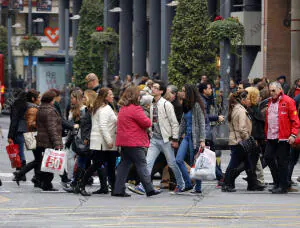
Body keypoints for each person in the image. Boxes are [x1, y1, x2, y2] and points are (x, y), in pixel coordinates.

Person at [134, 80, 185, 194]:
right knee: (148, 162)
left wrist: (175, 139)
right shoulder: (152, 103)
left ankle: (181, 184)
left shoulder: (166, 104)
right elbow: (142, 97)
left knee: (172, 163)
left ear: (161, 91)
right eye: (153, 87)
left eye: (156, 88)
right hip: (155, 139)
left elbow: (174, 123)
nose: (153, 89)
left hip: (166, 139)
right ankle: (143, 185)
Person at [113, 87, 160, 197]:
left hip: (124, 142)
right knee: (141, 164)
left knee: (124, 165)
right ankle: (149, 189)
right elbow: (147, 123)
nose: (140, 97)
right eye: (138, 95)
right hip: (135, 142)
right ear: (134, 96)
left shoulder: (123, 108)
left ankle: (118, 189)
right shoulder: (136, 109)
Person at [79, 88, 119, 196]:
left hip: (102, 142)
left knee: (108, 165)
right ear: (105, 96)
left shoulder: (101, 108)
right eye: (110, 94)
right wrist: (109, 141)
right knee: (98, 164)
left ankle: (115, 189)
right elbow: (103, 126)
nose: (112, 96)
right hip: (103, 143)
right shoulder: (105, 109)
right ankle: (81, 185)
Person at [265, 81, 299, 194]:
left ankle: (283, 186)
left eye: (273, 90)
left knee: (282, 162)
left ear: (280, 90)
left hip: (283, 138)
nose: (271, 93)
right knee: (268, 157)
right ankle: (278, 182)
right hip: (271, 136)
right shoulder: (269, 102)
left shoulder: (288, 101)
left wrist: (293, 135)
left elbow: (295, 121)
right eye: (270, 91)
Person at [222, 90, 259, 192]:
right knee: (234, 163)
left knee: (248, 162)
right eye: (247, 98)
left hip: (235, 140)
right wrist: (247, 139)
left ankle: (252, 184)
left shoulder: (234, 108)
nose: (248, 100)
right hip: (240, 141)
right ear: (242, 100)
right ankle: (227, 184)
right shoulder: (241, 111)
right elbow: (242, 128)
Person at [176, 84, 206, 193]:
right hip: (187, 137)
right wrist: (176, 137)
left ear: (189, 93)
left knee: (196, 163)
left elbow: (202, 123)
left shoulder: (197, 105)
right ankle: (188, 183)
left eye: (183, 91)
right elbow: (183, 123)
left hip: (195, 138)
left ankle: (198, 188)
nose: (181, 92)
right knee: (178, 159)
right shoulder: (186, 104)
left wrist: (202, 140)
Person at [36, 90, 63, 191]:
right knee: (50, 163)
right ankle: (47, 184)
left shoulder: (41, 108)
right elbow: (52, 128)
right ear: (51, 100)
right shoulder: (50, 111)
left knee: (45, 161)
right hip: (49, 141)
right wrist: (57, 143)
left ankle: (44, 182)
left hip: (42, 139)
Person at [13, 89, 41, 186]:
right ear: (33, 99)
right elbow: (32, 123)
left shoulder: (26, 106)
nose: (39, 100)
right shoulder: (32, 107)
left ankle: (36, 178)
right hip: (32, 135)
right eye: (38, 98)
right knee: (38, 158)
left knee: (38, 158)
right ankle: (22, 173)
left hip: (29, 134)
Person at [199, 83, 225, 184]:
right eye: (209, 88)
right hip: (205, 133)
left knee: (210, 155)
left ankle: (220, 175)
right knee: (210, 156)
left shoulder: (206, 100)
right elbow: (205, 117)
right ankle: (220, 176)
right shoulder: (202, 101)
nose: (211, 90)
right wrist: (217, 117)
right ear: (204, 90)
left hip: (206, 132)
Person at [8, 89, 28, 182]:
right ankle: (20, 173)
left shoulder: (16, 105)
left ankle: (21, 173)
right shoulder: (27, 105)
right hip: (25, 130)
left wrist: (10, 135)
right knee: (20, 152)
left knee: (19, 153)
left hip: (17, 131)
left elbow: (14, 121)